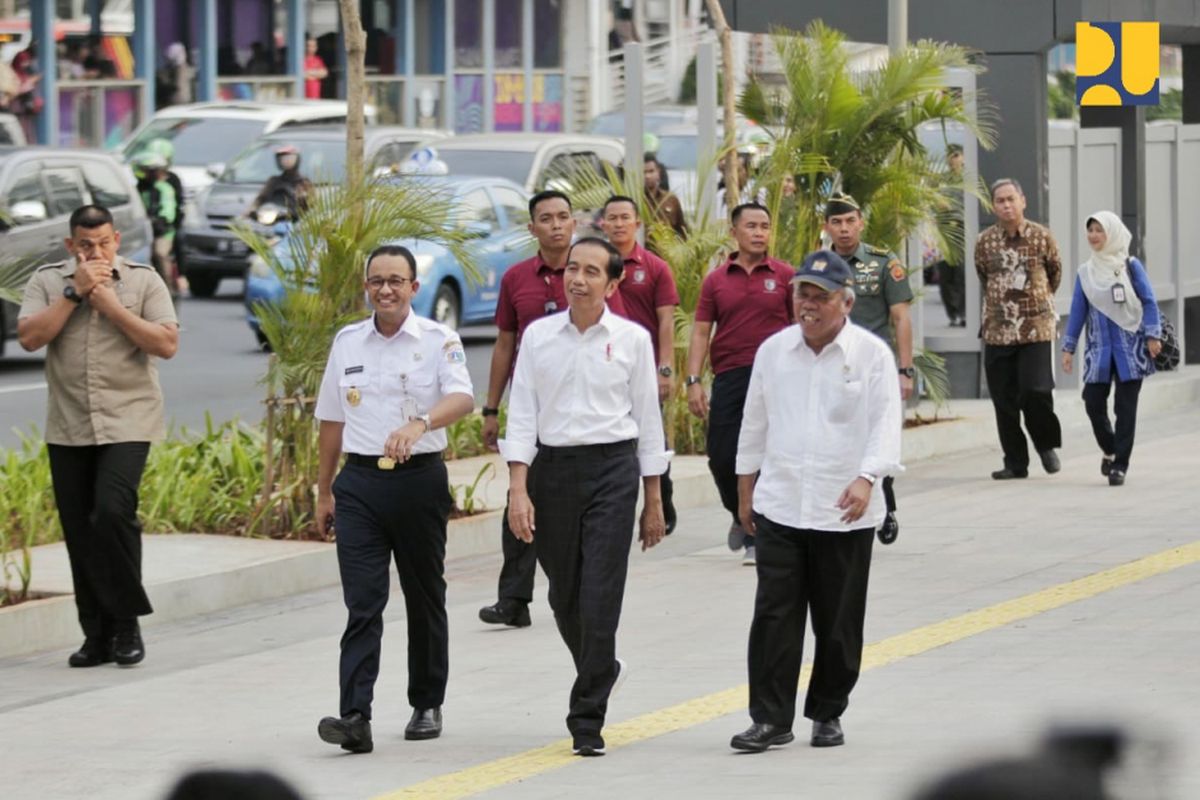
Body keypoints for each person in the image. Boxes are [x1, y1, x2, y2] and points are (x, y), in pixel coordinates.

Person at [501, 237, 669, 757]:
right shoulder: (538, 337)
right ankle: (603, 667)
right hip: (553, 472)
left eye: (592, 271)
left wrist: (654, 499)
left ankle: (586, 716)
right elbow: (523, 413)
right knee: (563, 595)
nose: (578, 278)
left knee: (600, 594)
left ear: (613, 284)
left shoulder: (634, 340)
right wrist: (518, 488)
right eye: (573, 268)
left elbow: (647, 420)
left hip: (613, 471)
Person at [729, 249, 901, 754]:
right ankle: (770, 719)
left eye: (819, 296)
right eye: (801, 293)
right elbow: (754, 421)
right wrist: (745, 488)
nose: (807, 304)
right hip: (781, 503)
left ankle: (828, 711)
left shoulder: (871, 355)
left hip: (843, 510)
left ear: (845, 303)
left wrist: (868, 478)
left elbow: (886, 425)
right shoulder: (773, 351)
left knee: (838, 619)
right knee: (774, 617)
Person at [314, 245, 474, 753]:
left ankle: (426, 702)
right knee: (363, 602)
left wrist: (420, 422)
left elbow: (462, 397)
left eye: (396, 281)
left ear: (413, 288)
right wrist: (323, 490)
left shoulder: (437, 340)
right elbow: (331, 420)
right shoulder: (347, 342)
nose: (385, 289)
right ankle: (354, 716)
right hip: (359, 485)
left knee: (425, 595)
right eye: (377, 280)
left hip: (418, 480)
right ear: (367, 286)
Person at [16, 205, 180, 668]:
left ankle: (126, 623)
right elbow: (29, 338)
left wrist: (108, 304)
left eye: (103, 243)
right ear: (71, 246)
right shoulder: (49, 281)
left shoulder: (144, 280)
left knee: (111, 511)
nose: (95, 252)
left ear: (117, 240)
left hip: (129, 419)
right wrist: (74, 294)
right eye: (85, 245)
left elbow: (166, 344)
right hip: (68, 425)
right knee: (79, 532)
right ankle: (97, 635)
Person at [477, 192, 629, 629]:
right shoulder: (516, 279)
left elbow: (613, 337)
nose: (557, 225)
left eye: (564, 217)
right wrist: (492, 407)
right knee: (520, 500)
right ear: (532, 228)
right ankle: (514, 596)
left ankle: (577, 590)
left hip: (583, 416)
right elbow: (506, 342)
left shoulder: (596, 273)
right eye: (546, 218)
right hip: (534, 406)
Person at [686, 203, 794, 565]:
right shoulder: (716, 280)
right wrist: (693, 380)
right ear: (734, 232)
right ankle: (739, 513)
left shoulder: (784, 275)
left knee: (768, 455)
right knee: (720, 456)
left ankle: (757, 535)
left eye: (765, 225)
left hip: (777, 378)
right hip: (731, 376)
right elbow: (701, 332)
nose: (760, 232)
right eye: (751, 226)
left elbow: (799, 328)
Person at [823, 193, 912, 545]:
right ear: (827, 226)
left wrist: (905, 371)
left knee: (876, 434)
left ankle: (883, 502)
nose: (844, 229)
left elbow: (901, 317)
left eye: (850, 221)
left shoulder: (882, 263)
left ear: (861, 222)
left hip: (873, 370)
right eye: (837, 222)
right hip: (830, 366)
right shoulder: (819, 265)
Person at [1061, 211, 1163, 487]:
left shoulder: (1131, 266)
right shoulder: (1086, 273)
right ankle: (1110, 447)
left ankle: (1120, 465)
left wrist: (1153, 335)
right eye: (1090, 230)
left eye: (1099, 230)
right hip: (1099, 352)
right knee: (1092, 401)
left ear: (1113, 234)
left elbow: (1149, 301)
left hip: (1131, 350)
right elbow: (1077, 311)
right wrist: (1068, 348)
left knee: (1125, 408)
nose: (1093, 236)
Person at [975, 178, 1064, 480]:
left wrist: (1035, 304)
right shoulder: (984, 242)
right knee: (1004, 399)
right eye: (1000, 201)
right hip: (998, 331)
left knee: (1035, 390)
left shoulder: (1042, 237)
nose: (1006, 205)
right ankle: (1015, 461)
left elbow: (1055, 274)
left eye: (1011, 199)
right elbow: (983, 276)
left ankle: (1045, 443)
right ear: (993, 206)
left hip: (1035, 328)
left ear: (1023, 200)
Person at [602, 195, 680, 533]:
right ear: (602, 224)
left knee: (651, 436)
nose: (619, 224)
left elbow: (666, 322)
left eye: (625, 218)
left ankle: (662, 497)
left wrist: (665, 369)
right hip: (605, 367)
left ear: (638, 224)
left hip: (643, 368)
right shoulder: (593, 267)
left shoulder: (655, 268)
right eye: (612, 218)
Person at [132, 151, 180, 300]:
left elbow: (168, 210)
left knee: (159, 253)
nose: (151, 174)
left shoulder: (164, 188)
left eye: (154, 170)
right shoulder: (137, 189)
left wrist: (160, 219)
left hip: (162, 232)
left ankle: (167, 288)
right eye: (148, 170)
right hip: (142, 230)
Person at [935, 144, 967, 327]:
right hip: (945, 229)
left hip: (962, 228)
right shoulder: (941, 180)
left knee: (961, 273)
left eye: (956, 155)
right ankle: (952, 312)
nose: (953, 159)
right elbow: (933, 201)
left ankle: (962, 312)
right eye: (950, 156)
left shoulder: (968, 179)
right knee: (945, 273)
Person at [248, 145, 313, 220]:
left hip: (299, 220)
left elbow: (312, 204)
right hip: (275, 219)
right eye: (283, 159)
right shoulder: (274, 181)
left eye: (290, 158)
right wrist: (252, 209)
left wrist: (302, 198)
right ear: (279, 161)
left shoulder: (304, 182)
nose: (287, 161)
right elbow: (260, 198)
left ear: (297, 159)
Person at [643, 154, 687, 241]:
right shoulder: (634, 201)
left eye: (651, 171)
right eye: (644, 172)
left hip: (666, 252)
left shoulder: (671, 199)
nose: (647, 176)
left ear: (658, 172)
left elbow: (682, 232)